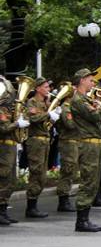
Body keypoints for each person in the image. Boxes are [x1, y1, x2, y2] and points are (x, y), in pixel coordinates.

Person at [70, 68, 101, 232]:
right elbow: (96, 117)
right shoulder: (78, 100)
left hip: (95, 144)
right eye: (90, 80)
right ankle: (81, 220)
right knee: (88, 180)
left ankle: (85, 218)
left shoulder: (86, 99)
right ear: (81, 81)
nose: (92, 83)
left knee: (93, 180)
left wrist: (100, 105)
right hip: (88, 145)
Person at [24, 77, 57, 218]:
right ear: (37, 88)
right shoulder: (32, 102)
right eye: (45, 87)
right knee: (36, 172)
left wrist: (53, 112)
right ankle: (30, 207)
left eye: (48, 87)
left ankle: (34, 205)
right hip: (35, 141)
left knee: (42, 175)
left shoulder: (45, 103)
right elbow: (33, 119)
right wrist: (48, 114)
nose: (48, 89)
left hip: (45, 141)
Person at [0, 77, 28, 225]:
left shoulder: (9, 109)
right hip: (3, 148)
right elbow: (3, 128)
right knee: (3, 179)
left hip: (11, 147)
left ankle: (4, 210)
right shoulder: (2, 109)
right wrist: (17, 123)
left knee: (11, 181)